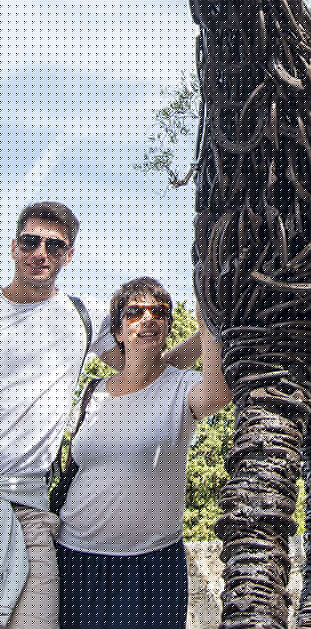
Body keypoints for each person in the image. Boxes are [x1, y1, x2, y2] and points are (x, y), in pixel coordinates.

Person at [0, 202, 201, 629]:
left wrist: (207, 332)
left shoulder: (83, 316)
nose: (41, 253)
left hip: (31, 508)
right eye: (31, 241)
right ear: (14, 246)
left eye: (55, 246)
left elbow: (146, 371)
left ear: (69, 255)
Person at [56, 276, 231, 629]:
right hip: (76, 558)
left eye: (159, 312)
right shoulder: (91, 392)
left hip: (153, 565)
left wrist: (207, 320)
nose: (148, 318)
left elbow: (217, 395)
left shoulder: (180, 386)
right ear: (117, 331)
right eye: (135, 312)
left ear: (167, 327)